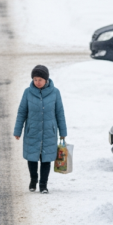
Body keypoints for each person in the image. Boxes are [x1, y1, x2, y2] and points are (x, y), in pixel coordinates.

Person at [13, 65, 67, 194]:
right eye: (35, 79)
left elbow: (60, 113)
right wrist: (17, 131)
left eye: (40, 80)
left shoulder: (55, 92)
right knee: (32, 158)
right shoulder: (27, 92)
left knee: (46, 159)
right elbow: (22, 112)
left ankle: (43, 184)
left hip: (49, 132)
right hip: (32, 131)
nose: (37, 82)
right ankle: (33, 180)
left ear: (46, 80)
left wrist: (63, 132)